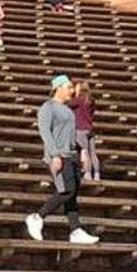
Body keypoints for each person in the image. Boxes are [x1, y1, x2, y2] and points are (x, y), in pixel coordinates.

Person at [28, 74, 99, 245]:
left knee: (72, 195)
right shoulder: (48, 107)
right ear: (58, 88)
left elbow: (71, 135)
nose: (71, 91)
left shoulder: (68, 111)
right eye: (68, 87)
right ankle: (37, 216)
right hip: (59, 156)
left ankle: (75, 230)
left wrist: (82, 151)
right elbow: (45, 132)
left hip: (72, 155)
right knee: (67, 190)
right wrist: (54, 155)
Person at [67, 78, 101, 182]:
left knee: (84, 152)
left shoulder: (78, 100)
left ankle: (87, 173)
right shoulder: (90, 100)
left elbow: (67, 104)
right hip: (89, 129)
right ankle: (96, 174)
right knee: (93, 153)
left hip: (80, 128)